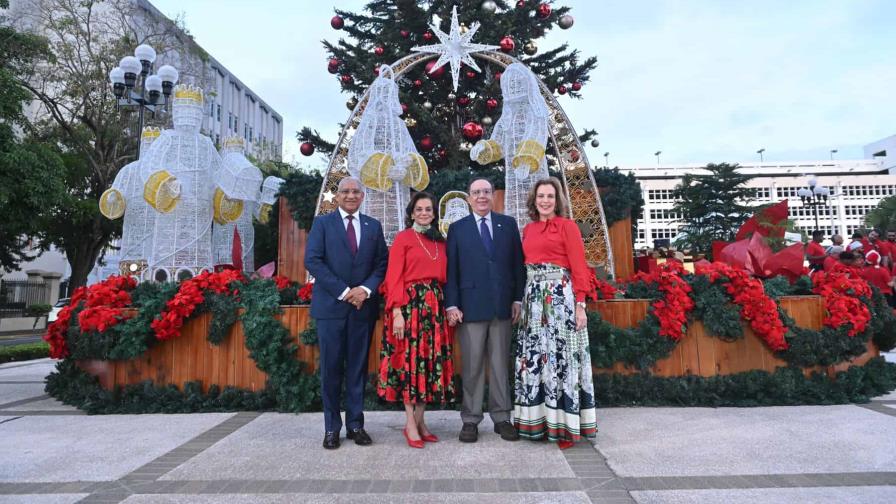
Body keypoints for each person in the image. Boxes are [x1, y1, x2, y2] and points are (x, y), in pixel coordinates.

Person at [514, 177, 598, 450]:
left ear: (557, 200)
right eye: (541, 196)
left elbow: (579, 267)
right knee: (537, 358)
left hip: (560, 300)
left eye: (550, 196)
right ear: (534, 199)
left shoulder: (568, 226)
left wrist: (581, 304)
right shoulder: (528, 230)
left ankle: (565, 426)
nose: (545, 201)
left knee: (561, 359)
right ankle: (537, 423)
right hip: (533, 300)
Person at [305, 177, 388, 450]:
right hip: (331, 309)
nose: (350, 196)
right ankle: (332, 428)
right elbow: (313, 261)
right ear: (337, 196)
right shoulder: (322, 224)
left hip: (362, 310)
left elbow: (381, 264)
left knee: (357, 370)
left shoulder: (373, 227)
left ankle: (355, 425)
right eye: (345, 191)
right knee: (331, 370)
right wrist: (344, 292)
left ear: (362, 196)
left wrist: (364, 290)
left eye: (355, 192)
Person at [445, 177, 525, 443]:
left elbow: (517, 266)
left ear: (493, 196)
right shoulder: (457, 229)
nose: (481, 196)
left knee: (501, 365)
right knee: (472, 366)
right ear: (469, 197)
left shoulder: (508, 224)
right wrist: (452, 303)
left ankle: (502, 418)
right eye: (476, 192)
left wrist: (517, 299)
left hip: (503, 307)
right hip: (470, 308)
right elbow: (451, 271)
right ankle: (470, 420)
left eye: (486, 192)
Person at [377, 192, 456, 449]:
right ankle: (410, 423)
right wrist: (397, 312)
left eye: (429, 209)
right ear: (412, 212)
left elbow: (446, 277)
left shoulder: (440, 242)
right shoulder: (403, 239)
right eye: (419, 209)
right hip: (409, 308)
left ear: (434, 213)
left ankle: (420, 422)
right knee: (411, 365)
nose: (424, 213)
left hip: (433, 310)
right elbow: (393, 277)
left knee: (429, 365)